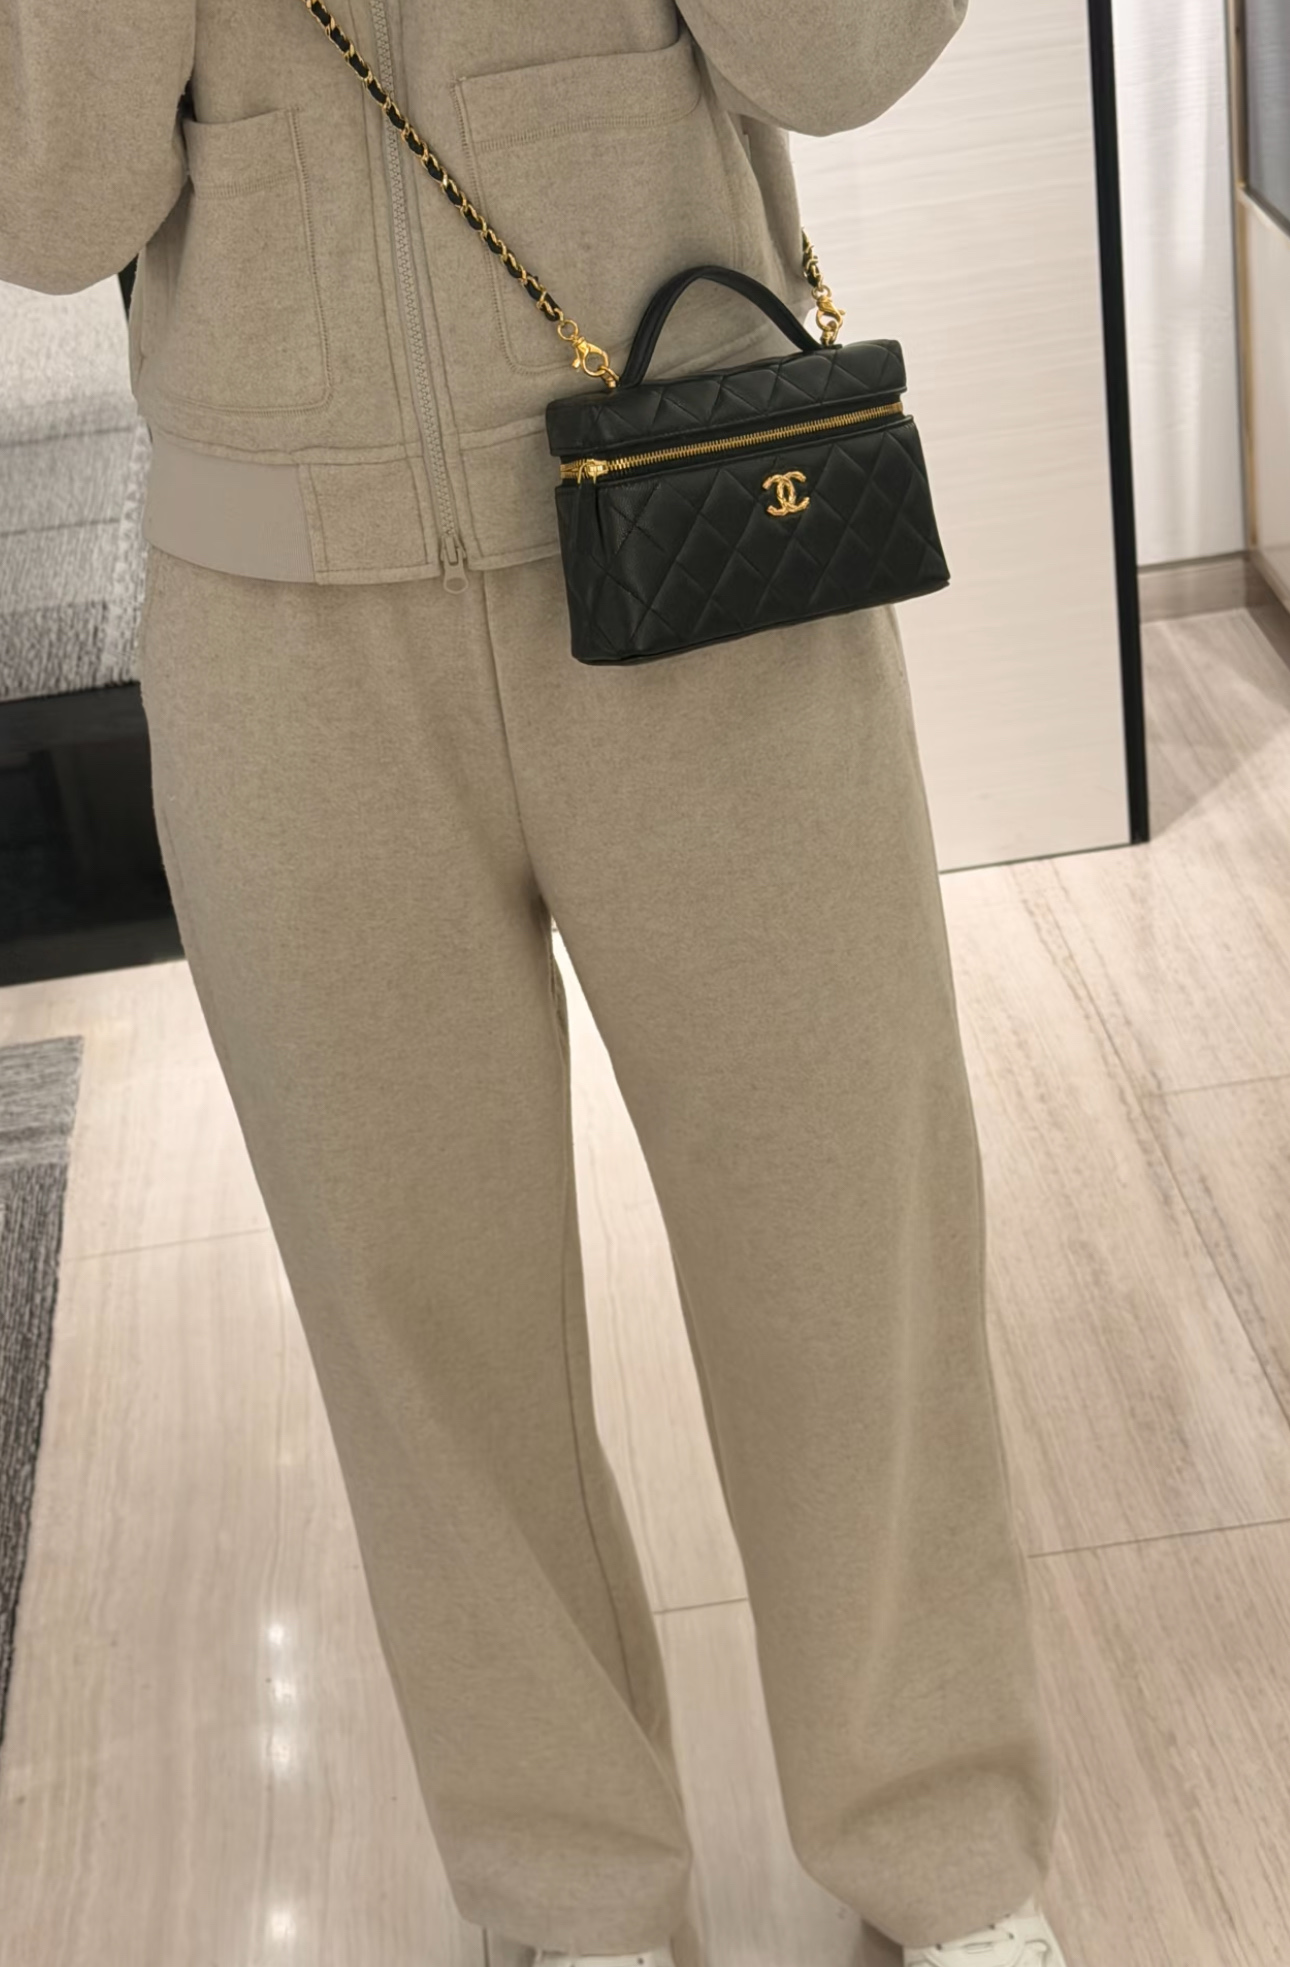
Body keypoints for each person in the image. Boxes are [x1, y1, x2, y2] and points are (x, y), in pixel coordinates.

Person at [1, 2, 1069, 1962]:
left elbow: (843, 58)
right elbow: (46, 207)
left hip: (704, 517)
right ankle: (569, 1898)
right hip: (281, 622)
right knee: (419, 1320)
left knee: (852, 1244)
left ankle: (942, 1855)